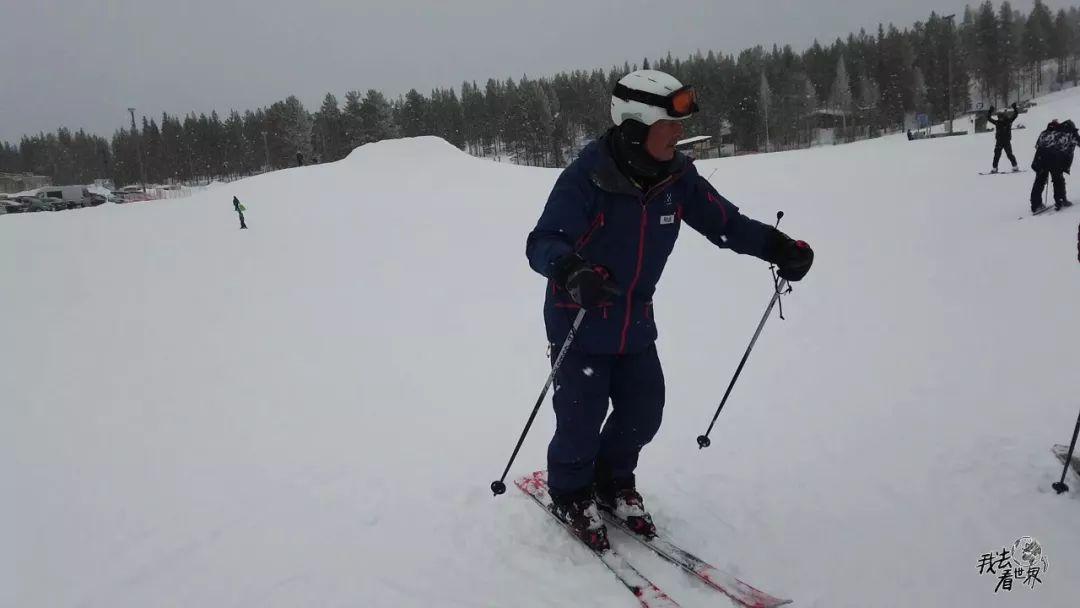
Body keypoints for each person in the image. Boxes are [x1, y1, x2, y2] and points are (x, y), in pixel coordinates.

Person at [525, 69, 814, 551]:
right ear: (635, 129)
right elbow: (543, 242)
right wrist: (573, 271)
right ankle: (572, 490)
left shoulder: (677, 178)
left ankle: (613, 478)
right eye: (669, 127)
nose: (678, 136)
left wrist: (778, 247)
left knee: (644, 411)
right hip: (579, 319)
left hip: (634, 321)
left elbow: (727, 224)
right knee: (580, 415)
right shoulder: (587, 178)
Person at [1031, 119, 1080, 213]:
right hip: (1055, 159)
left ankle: (1035, 205)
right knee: (1058, 179)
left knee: (1039, 181)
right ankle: (1060, 200)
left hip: (1040, 157)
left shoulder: (1046, 133)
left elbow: (1038, 145)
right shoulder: (1070, 133)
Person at [987, 103, 1020, 173]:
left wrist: (1014, 108)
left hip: (1006, 141)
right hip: (999, 141)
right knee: (997, 155)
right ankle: (995, 168)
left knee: (1009, 154)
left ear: (1004, 117)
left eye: (1001, 118)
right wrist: (990, 111)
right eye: (999, 118)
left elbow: (1015, 115)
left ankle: (1015, 166)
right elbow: (988, 118)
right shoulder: (997, 122)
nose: (1000, 119)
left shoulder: (1008, 121)